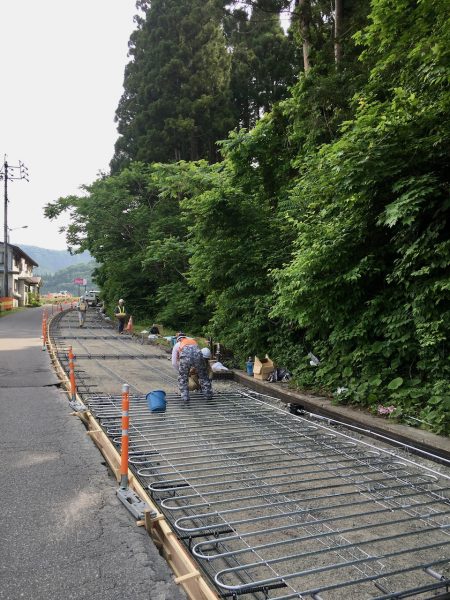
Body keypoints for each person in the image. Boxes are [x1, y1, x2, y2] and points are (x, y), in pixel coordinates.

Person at [171, 333, 213, 402]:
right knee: (203, 375)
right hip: (198, 355)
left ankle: (185, 398)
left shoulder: (177, 344)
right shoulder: (192, 341)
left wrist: (181, 372)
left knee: (183, 378)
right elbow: (197, 352)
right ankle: (208, 395)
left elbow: (174, 363)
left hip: (185, 356)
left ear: (178, 340)